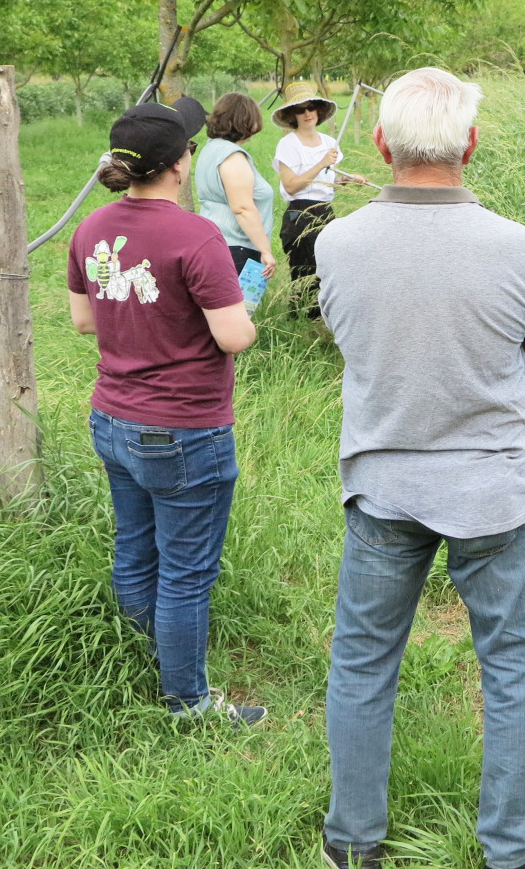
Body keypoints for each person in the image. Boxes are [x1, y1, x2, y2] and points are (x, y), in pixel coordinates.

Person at [313, 67, 525, 869]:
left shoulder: (337, 242)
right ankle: (511, 858)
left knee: (362, 662)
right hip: (490, 487)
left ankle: (354, 851)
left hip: (383, 482)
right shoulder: (512, 244)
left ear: (380, 144)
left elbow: (348, 339)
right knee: (515, 665)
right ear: (471, 144)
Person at [67, 95, 268, 726]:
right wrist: (247, 306)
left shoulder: (92, 228)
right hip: (183, 427)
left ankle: (138, 660)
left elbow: (82, 320)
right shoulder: (196, 235)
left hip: (112, 416)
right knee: (186, 572)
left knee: (135, 548)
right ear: (181, 163)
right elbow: (234, 336)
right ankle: (188, 703)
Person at [270, 82, 371, 317]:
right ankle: (298, 321)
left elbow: (326, 180)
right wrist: (321, 163)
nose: (307, 114)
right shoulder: (288, 144)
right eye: (300, 109)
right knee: (303, 272)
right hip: (300, 214)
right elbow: (292, 186)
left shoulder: (328, 143)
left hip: (325, 212)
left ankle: (323, 319)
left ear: (318, 110)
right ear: (292, 115)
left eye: (311, 108)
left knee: (325, 270)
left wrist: (348, 179)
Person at [196, 92, 277, 287]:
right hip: (236, 249)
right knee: (237, 314)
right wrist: (265, 250)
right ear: (244, 121)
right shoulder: (233, 157)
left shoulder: (211, 148)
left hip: (211, 242)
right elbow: (242, 208)